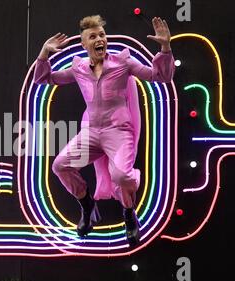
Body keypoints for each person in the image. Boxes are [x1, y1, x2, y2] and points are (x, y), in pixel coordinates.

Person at [33, 15, 175, 246]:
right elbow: (43, 78)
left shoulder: (123, 64)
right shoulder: (78, 67)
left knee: (120, 175)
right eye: (93, 36)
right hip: (92, 133)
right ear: (84, 44)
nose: (100, 39)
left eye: (102, 35)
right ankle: (87, 204)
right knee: (60, 165)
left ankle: (129, 213)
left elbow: (161, 76)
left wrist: (165, 46)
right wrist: (44, 52)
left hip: (119, 132)